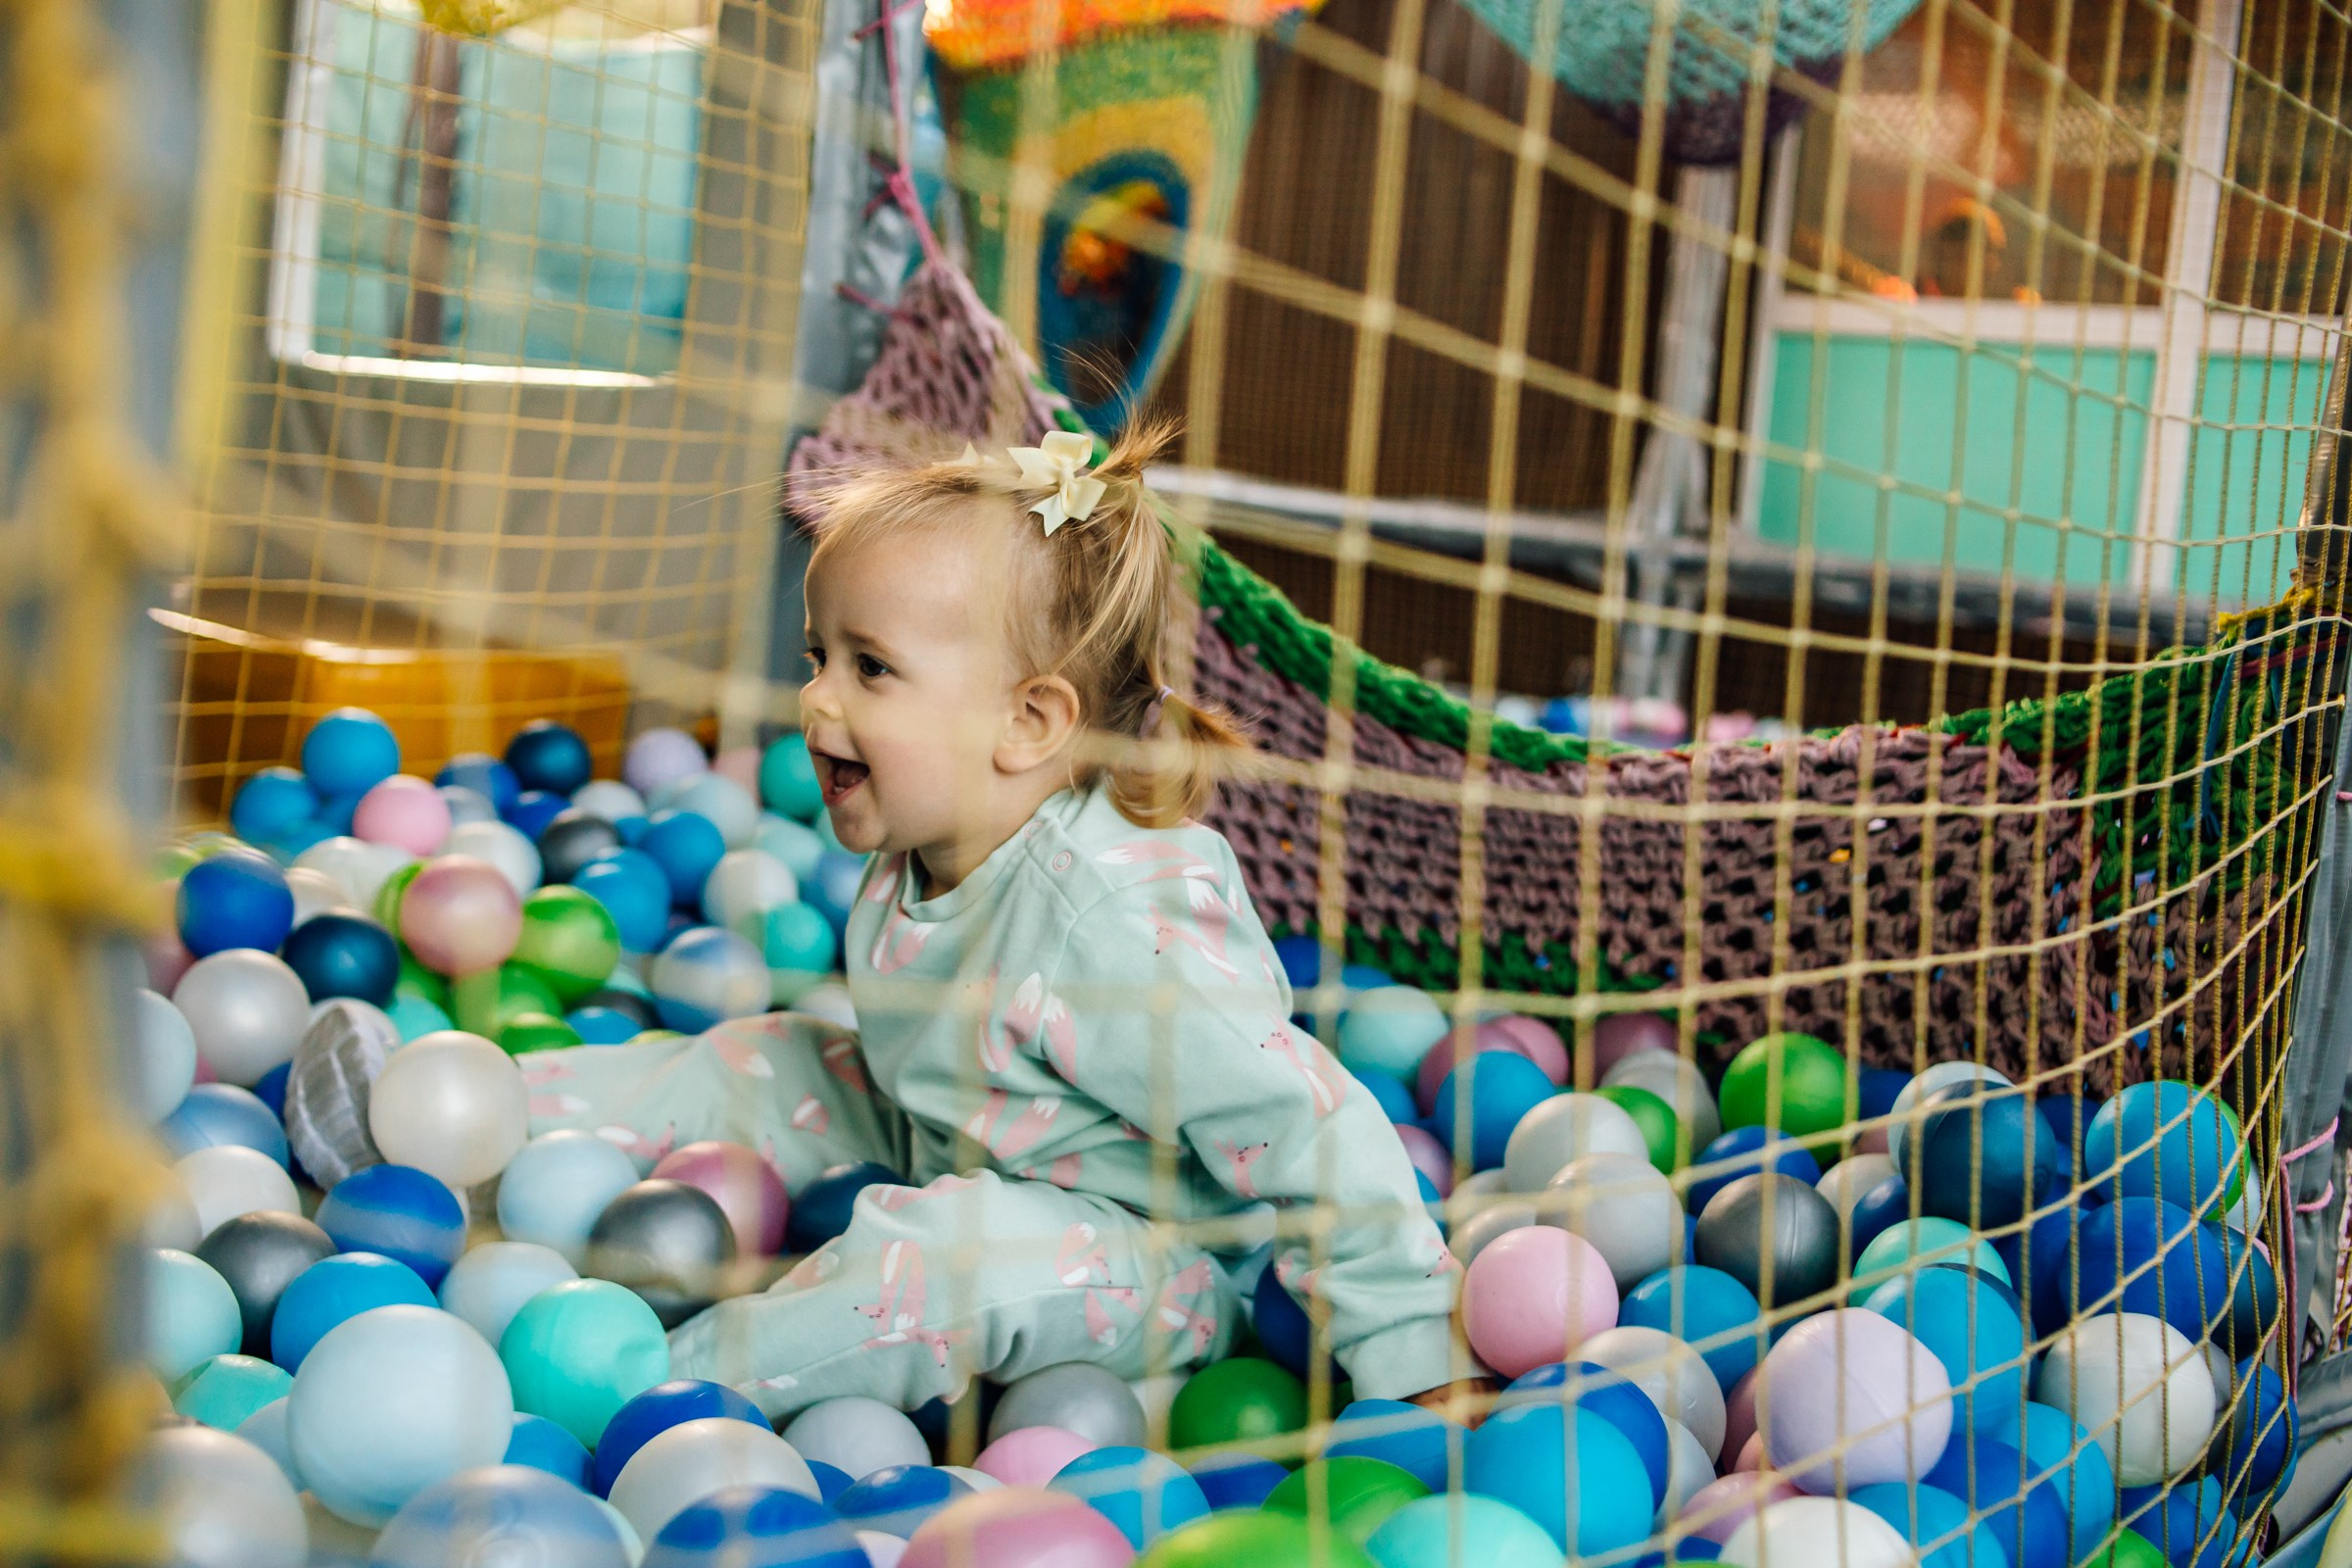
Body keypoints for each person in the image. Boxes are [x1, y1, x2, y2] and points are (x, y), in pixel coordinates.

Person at [520, 420, 1465, 1420]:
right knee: (759, 1058)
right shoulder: (932, 830)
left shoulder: (1112, 922)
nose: (815, 698)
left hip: (1153, 1257)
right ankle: (469, 1109)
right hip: (952, 1141)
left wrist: (1414, 1341)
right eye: (818, 654)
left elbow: (1302, 1120)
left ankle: (636, 1390)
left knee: (937, 1261)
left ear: (1028, 723)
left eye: (870, 668)